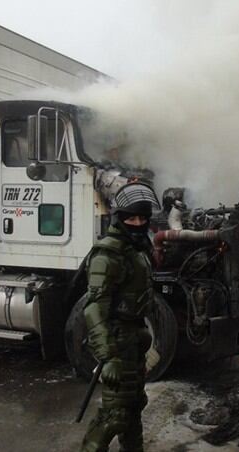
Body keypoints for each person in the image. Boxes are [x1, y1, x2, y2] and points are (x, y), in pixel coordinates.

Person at [80, 181, 160, 452]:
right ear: (120, 218)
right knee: (115, 415)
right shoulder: (109, 253)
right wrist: (108, 356)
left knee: (134, 405)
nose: (137, 223)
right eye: (131, 218)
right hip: (116, 341)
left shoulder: (138, 248)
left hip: (135, 339)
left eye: (142, 218)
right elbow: (94, 309)